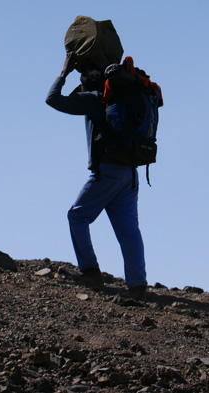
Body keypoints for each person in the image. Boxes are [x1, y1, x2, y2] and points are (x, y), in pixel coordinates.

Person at [45, 51, 147, 295]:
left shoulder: (93, 100)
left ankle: (90, 273)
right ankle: (137, 285)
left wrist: (64, 73)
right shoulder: (116, 97)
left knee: (77, 217)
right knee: (129, 231)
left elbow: (53, 99)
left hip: (107, 171)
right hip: (130, 173)